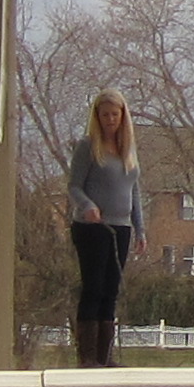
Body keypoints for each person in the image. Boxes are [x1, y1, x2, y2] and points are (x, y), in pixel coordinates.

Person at [66, 91, 141, 369]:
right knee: (94, 287)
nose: (110, 120)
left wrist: (140, 229)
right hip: (93, 227)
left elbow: (134, 191)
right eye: (105, 114)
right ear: (97, 117)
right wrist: (87, 205)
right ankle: (87, 357)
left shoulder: (128, 149)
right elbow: (74, 185)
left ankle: (105, 356)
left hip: (121, 228)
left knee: (111, 289)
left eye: (115, 114)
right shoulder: (88, 147)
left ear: (123, 117)